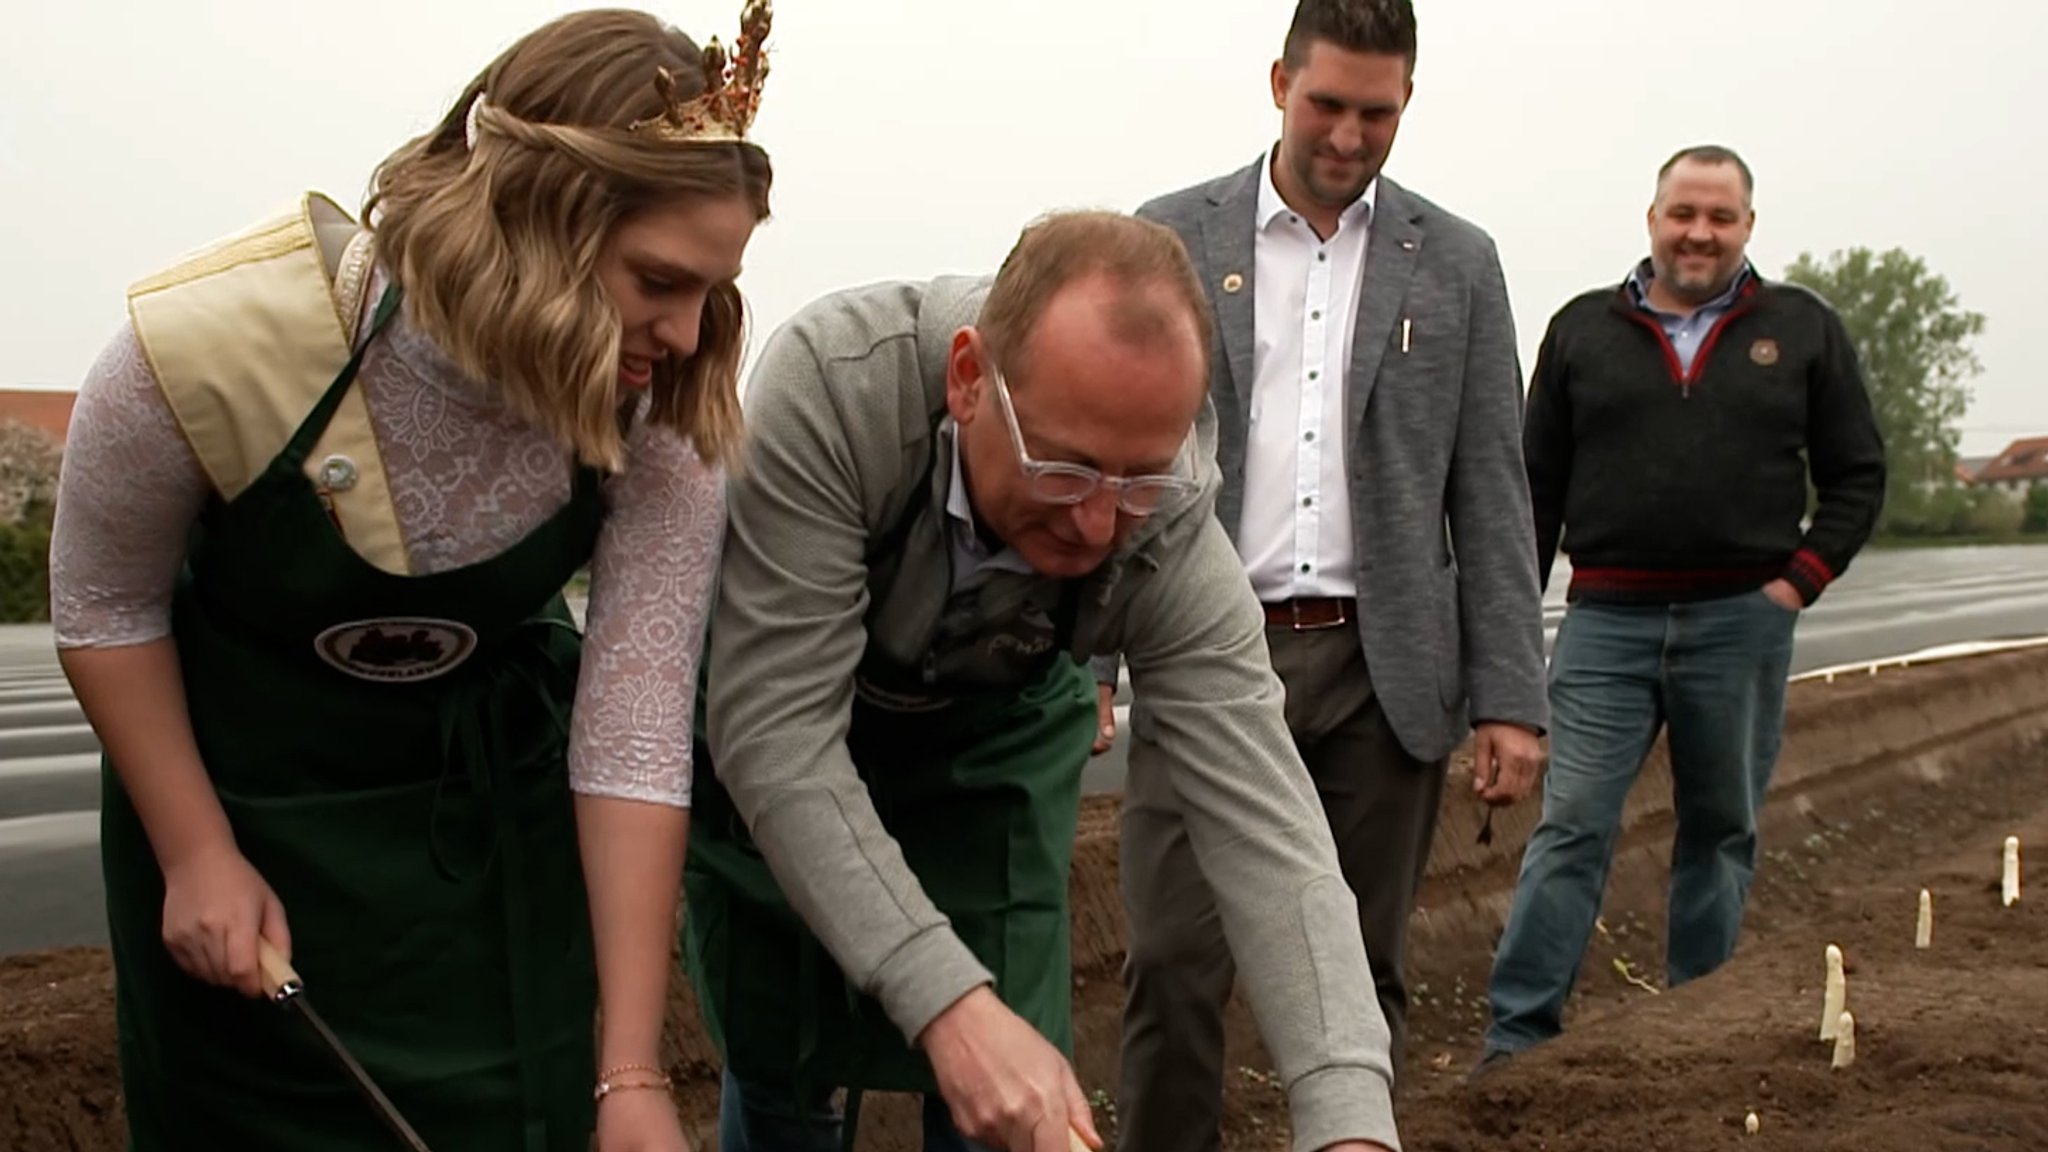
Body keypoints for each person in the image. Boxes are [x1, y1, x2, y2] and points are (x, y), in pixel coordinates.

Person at [48, 6, 775, 1150]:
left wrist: (628, 1073)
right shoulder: (200, 350)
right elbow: (103, 603)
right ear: (532, 226)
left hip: (487, 859)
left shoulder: (664, 416)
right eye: (656, 280)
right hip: (242, 831)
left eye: (711, 288)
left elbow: (631, 726)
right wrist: (195, 854)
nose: (687, 334)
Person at [685, 210, 1400, 1152]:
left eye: (1138, 479)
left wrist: (1348, 1113)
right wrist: (947, 1007)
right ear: (970, 378)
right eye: (1064, 470)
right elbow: (776, 737)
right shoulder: (836, 388)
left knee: (1011, 1079)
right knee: (788, 1042)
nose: (1100, 525)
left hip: (989, 745)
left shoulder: (1173, 522)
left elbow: (1265, 817)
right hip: (801, 719)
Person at [1104, 1, 1547, 1143]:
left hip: (1380, 665)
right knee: (1169, 964)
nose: (1349, 135)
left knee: (1360, 971)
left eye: (1377, 112)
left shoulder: (1455, 262)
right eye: (1328, 105)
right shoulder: (1167, 240)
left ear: (1405, 103)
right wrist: (1091, 654)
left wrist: (1507, 694)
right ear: (1277, 83)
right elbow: (1115, 457)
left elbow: (1489, 487)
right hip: (1203, 651)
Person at [1477, 144, 1886, 1068]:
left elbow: (1859, 475)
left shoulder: (1802, 329)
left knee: (1720, 830)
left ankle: (1698, 1031)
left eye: (1721, 217)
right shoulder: (1582, 331)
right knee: (1573, 823)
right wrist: (1501, 645)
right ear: (1653, 218)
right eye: (1682, 213)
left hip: (1740, 621)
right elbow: (1532, 494)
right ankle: (1518, 1040)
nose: (1699, 232)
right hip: (1606, 624)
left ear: (1747, 226)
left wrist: (1794, 585)